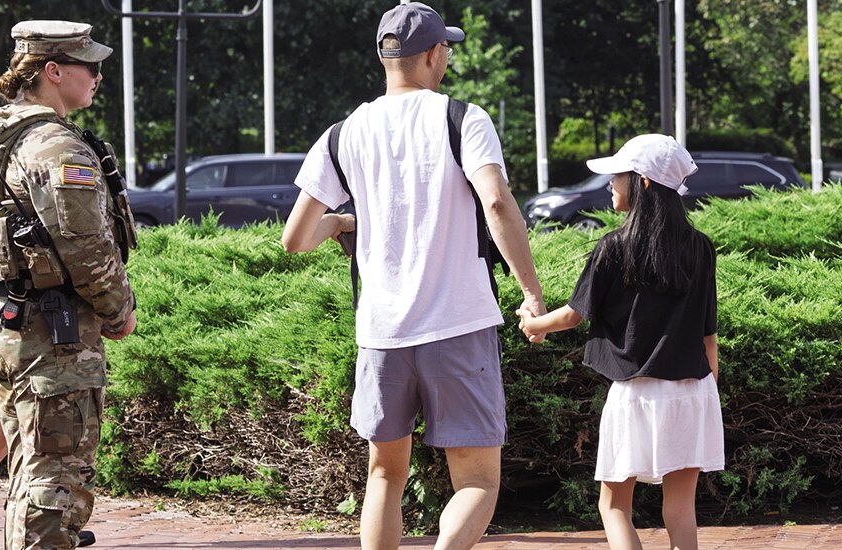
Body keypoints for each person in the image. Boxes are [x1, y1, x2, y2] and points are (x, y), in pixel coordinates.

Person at [282, 3, 545, 548]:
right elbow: (496, 203)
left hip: (381, 333)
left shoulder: (342, 133)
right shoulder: (463, 118)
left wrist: (340, 224)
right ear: (433, 54)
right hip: (459, 322)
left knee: (384, 476)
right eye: (445, 46)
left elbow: (295, 240)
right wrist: (530, 292)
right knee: (476, 481)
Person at [0, 20, 136, 549]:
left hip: (4, 320)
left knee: (30, 468)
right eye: (89, 66)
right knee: (54, 478)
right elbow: (87, 246)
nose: (98, 76)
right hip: (51, 331)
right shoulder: (56, 146)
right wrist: (119, 310)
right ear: (53, 71)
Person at [516, 134, 724, 550]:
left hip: (635, 394)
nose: (610, 183)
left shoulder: (614, 247)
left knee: (614, 507)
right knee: (681, 509)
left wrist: (535, 323)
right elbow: (708, 334)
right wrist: (709, 392)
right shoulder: (699, 247)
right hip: (693, 390)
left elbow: (575, 314)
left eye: (618, 175)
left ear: (643, 182)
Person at [0, 298, 96, 547]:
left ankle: (55, 521)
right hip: (21, 312)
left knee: (38, 413)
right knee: (36, 411)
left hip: (53, 311)